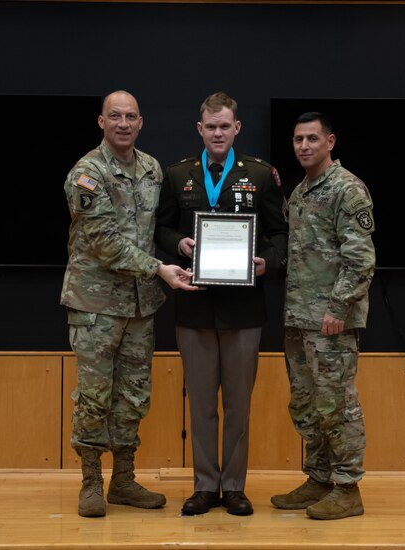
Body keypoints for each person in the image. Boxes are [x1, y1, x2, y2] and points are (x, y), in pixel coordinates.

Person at [60, 90, 198, 518]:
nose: (123, 123)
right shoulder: (86, 174)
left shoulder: (153, 169)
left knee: (133, 396)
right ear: (101, 122)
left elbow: (156, 228)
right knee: (95, 396)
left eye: (131, 116)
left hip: (140, 306)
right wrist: (159, 268)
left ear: (141, 122)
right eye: (114, 116)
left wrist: (184, 246)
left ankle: (122, 480)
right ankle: (90, 482)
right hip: (96, 303)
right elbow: (103, 242)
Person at [155, 92, 288, 516]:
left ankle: (234, 487)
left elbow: (281, 234)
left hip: (244, 310)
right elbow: (159, 229)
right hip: (194, 308)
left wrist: (268, 262)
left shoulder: (261, 175)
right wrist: (179, 243)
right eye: (210, 126)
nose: (217, 133)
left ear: (237, 128)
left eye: (224, 126)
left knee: (237, 405)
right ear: (200, 129)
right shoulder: (178, 176)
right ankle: (204, 486)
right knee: (200, 405)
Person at [270, 112, 375, 520]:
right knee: (307, 405)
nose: (304, 146)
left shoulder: (346, 190)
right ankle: (318, 479)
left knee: (337, 405)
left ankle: (347, 488)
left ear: (330, 141)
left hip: (331, 321)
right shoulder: (300, 192)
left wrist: (338, 308)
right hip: (299, 320)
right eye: (298, 139)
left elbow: (361, 261)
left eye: (313, 138)